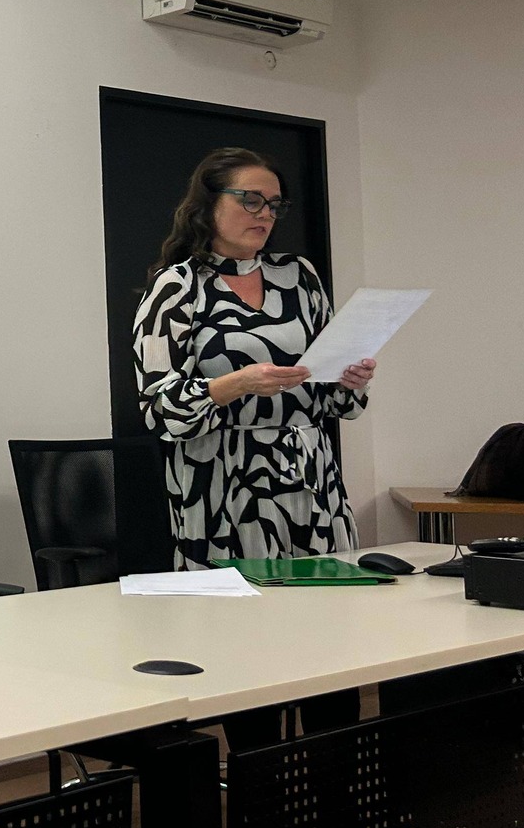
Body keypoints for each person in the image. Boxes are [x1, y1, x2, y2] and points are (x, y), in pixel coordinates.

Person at [132, 147, 375, 569]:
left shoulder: (299, 275)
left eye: (274, 205)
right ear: (208, 205)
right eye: (251, 200)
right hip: (221, 476)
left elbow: (335, 402)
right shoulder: (178, 286)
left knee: (328, 600)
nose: (265, 214)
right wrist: (239, 383)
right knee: (241, 606)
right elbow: (160, 410)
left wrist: (349, 379)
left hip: (310, 471)